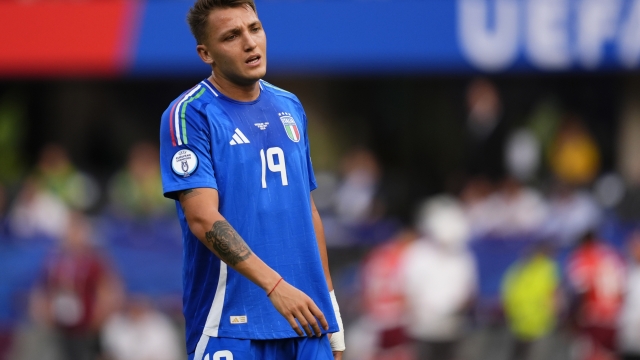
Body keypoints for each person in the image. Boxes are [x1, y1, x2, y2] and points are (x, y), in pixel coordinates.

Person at [158, 1, 344, 359]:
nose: (249, 43)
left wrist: (331, 312)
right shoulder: (189, 114)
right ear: (206, 53)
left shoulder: (290, 106)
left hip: (307, 322)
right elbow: (202, 217)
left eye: (254, 29)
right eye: (231, 36)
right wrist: (275, 287)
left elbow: (308, 212)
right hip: (230, 327)